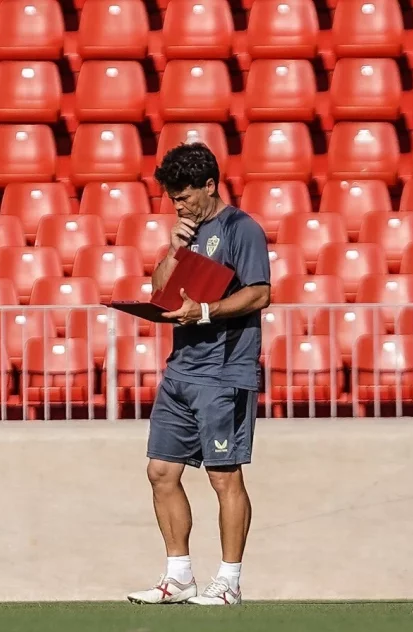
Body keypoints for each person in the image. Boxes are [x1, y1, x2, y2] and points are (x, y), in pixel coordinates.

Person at [126, 143, 271, 606]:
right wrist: (174, 250)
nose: (179, 205)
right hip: (181, 370)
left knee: (224, 476)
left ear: (211, 185)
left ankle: (228, 582)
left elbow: (260, 294)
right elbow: (161, 289)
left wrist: (206, 311)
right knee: (161, 471)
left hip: (224, 372)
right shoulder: (187, 233)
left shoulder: (242, 229)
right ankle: (179, 577)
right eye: (173, 199)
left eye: (186, 196)